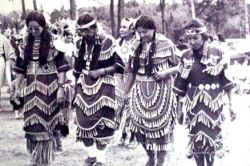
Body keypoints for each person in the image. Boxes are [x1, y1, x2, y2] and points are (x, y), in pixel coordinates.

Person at [173, 18, 236, 166]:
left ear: (203, 36)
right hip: (193, 105)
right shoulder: (185, 56)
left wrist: (231, 105)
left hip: (212, 105)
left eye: (195, 38)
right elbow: (180, 86)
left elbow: (226, 82)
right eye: (189, 39)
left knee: (212, 141)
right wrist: (179, 109)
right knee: (197, 140)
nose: (192, 42)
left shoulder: (217, 53)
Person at [12, 11, 69, 165]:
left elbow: (62, 67)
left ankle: (43, 160)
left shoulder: (54, 42)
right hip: (30, 91)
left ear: (43, 26)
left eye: (36, 28)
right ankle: (36, 158)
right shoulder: (24, 43)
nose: (33, 31)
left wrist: (61, 88)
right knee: (32, 125)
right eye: (30, 29)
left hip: (49, 90)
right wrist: (17, 89)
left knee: (46, 127)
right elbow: (19, 70)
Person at [122, 15, 179, 166]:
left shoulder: (166, 44)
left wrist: (165, 73)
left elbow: (180, 65)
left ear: (153, 29)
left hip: (162, 92)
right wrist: (125, 93)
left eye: (145, 32)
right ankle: (150, 156)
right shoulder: (135, 45)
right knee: (138, 127)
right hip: (140, 92)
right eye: (139, 32)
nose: (141, 35)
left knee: (162, 128)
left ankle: (161, 160)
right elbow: (132, 72)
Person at [73, 12, 124, 166]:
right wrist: (75, 88)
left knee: (103, 123)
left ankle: (101, 160)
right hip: (84, 85)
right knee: (83, 121)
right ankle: (91, 156)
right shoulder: (78, 43)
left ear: (95, 28)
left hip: (104, 86)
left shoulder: (108, 41)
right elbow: (76, 68)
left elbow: (120, 66)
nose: (84, 34)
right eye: (81, 31)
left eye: (87, 31)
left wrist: (101, 71)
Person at [114, 17, 138, 148]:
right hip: (119, 77)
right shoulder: (117, 43)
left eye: (125, 27)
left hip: (133, 78)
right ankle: (122, 135)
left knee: (131, 107)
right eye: (121, 26)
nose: (121, 29)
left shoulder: (138, 43)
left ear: (132, 30)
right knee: (120, 106)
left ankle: (133, 137)